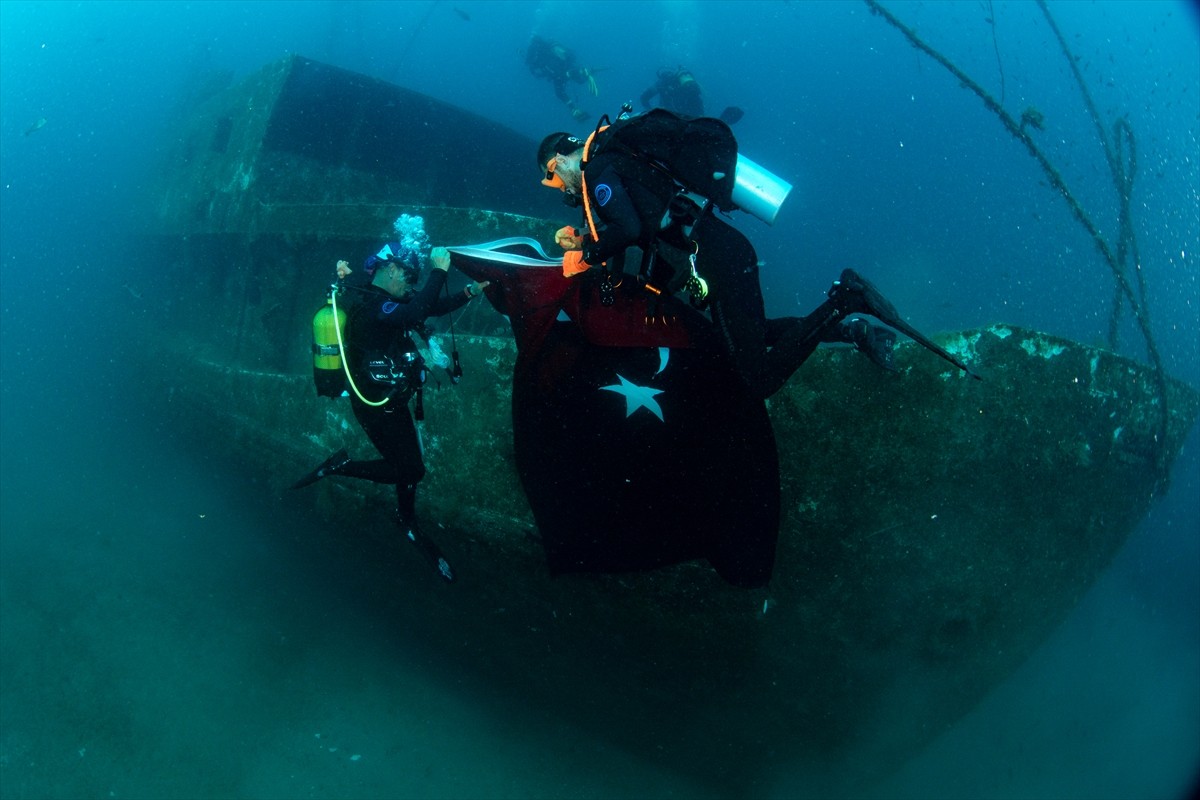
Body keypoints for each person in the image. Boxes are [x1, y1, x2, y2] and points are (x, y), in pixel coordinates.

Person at [536, 129, 899, 400]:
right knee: (755, 331)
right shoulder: (615, 162)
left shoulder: (599, 170)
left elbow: (629, 229)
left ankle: (844, 300)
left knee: (756, 380)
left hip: (718, 259)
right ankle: (854, 332)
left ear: (561, 160)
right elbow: (643, 220)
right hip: (723, 250)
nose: (560, 186)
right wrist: (584, 240)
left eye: (553, 175)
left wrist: (585, 258)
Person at [290, 239, 489, 562]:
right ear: (391, 269)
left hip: (391, 400)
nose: (411, 284)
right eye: (408, 277)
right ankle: (340, 467)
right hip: (374, 406)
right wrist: (439, 271)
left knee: (408, 466)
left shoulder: (386, 301)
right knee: (410, 470)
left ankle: (406, 518)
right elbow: (417, 310)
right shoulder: (373, 307)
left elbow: (430, 306)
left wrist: (469, 293)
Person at [524, 35, 598, 122]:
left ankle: (574, 109)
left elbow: (530, 63)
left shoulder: (538, 51)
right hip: (562, 70)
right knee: (574, 81)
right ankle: (575, 109)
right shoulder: (545, 50)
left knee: (563, 88)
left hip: (560, 72)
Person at [639, 66, 743, 125]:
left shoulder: (663, 82)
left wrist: (650, 113)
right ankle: (718, 126)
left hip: (669, 119)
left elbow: (644, 98)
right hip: (693, 118)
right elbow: (702, 101)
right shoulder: (691, 84)